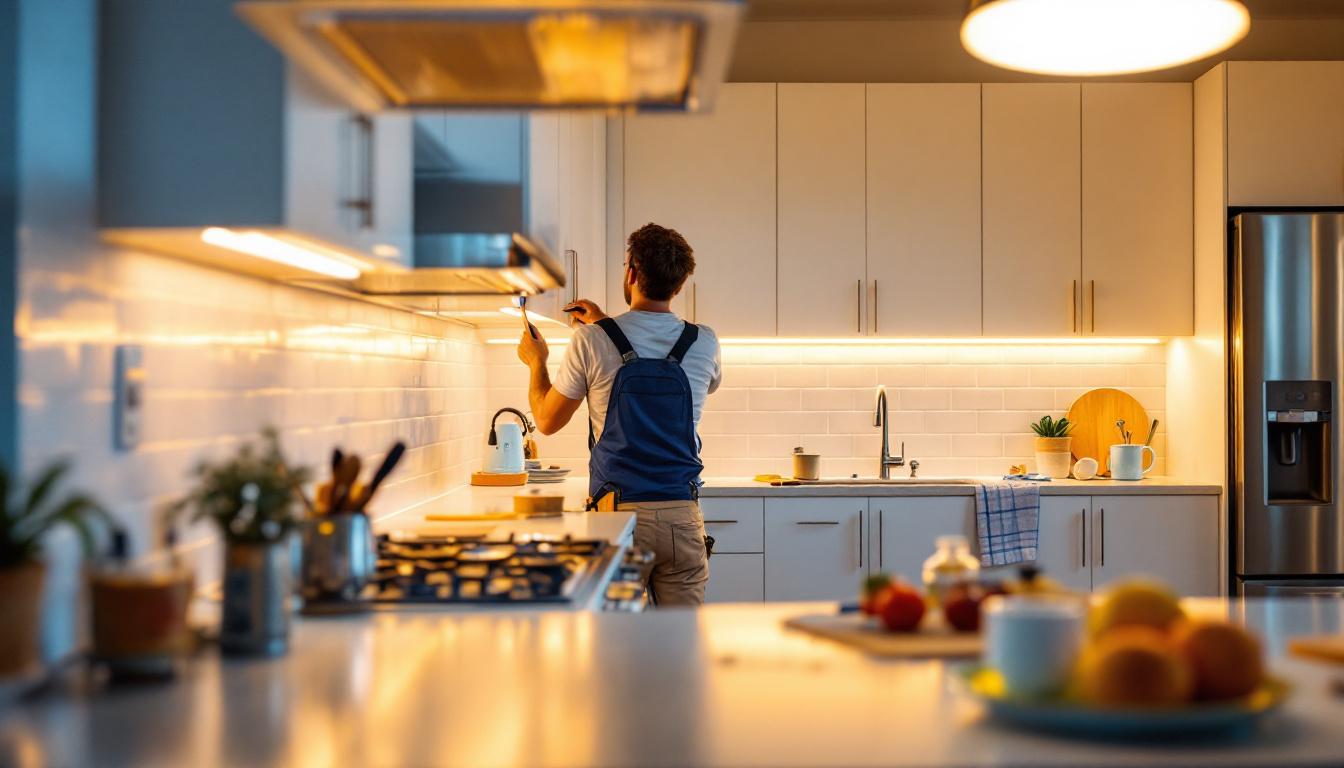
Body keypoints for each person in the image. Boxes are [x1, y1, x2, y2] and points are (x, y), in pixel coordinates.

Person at [516, 223, 721, 606]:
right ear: (679, 285)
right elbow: (679, 371)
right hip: (681, 515)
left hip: (617, 517)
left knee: (616, 651)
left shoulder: (592, 341)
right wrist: (606, 328)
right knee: (680, 645)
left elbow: (545, 420)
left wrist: (535, 362)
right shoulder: (704, 341)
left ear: (631, 273)